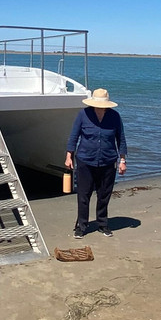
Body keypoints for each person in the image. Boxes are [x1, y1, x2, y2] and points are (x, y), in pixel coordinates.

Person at [65, 88, 127, 238]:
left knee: (104, 194)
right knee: (83, 194)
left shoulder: (114, 116)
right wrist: (69, 156)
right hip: (85, 160)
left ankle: (102, 224)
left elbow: (121, 138)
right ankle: (81, 225)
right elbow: (74, 136)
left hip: (108, 160)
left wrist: (123, 160)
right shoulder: (83, 115)